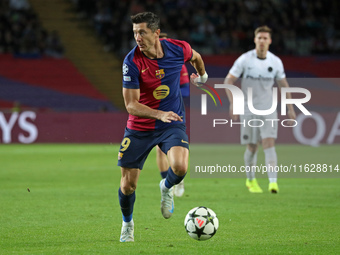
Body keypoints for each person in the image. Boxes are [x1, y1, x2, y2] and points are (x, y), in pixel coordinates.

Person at [118, 12, 207, 242]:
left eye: (142, 32)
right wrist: (159, 114)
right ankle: (127, 223)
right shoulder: (131, 62)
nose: (137, 37)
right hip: (140, 126)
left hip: (172, 121)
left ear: (156, 33)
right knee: (128, 186)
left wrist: (203, 76)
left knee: (179, 167)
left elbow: (196, 57)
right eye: (135, 32)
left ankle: (166, 188)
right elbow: (131, 105)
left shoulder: (178, 49)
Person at [224, 25, 296, 194]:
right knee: (252, 146)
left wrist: (290, 108)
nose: (262, 41)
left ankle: (273, 182)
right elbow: (228, 81)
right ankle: (251, 180)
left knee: (269, 142)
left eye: (265, 38)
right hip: (248, 109)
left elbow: (284, 85)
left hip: (268, 109)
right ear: (255, 40)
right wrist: (234, 102)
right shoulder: (245, 60)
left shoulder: (275, 62)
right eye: (260, 38)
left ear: (270, 41)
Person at [155, 32, 190, 198]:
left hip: (174, 112)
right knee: (159, 149)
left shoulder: (176, 62)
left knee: (174, 149)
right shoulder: (143, 62)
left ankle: (177, 178)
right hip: (155, 111)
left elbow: (186, 88)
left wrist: (169, 91)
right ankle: (167, 185)